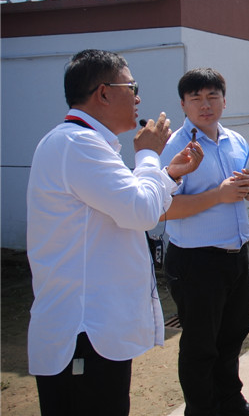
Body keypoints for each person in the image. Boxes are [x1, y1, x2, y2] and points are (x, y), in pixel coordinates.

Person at [26, 49, 203, 416]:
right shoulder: (77, 144)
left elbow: (134, 203)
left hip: (93, 333)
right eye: (131, 86)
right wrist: (149, 156)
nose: (138, 97)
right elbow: (141, 211)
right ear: (103, 93)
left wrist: (167, 175)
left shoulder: (84, 144)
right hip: (83, 333)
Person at [161, 68, 249, 416]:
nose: (205, 104)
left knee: (233, 335)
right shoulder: (175, 147)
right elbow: (162, 209)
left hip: (237, 256)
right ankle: (201, 409)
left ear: (224, 100)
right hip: (196, 261)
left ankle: (230, 402)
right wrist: (218, 196)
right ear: (183, 104)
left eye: (212, 96)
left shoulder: (235, 140)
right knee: (199, 346)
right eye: (196, 98)